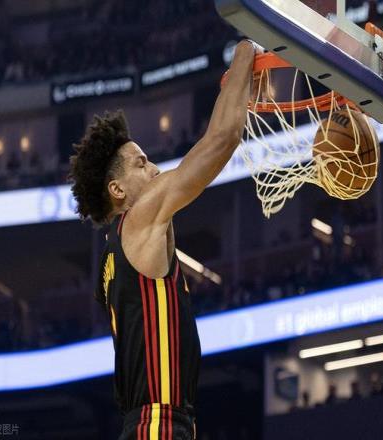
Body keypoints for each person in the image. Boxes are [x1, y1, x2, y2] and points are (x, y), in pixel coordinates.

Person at [68, 40, 261, 439]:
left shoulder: (113, 256)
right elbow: (222, 139)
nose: (155, 169)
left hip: (155, 423)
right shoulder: (138, 221)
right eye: (141, 163)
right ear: (117, 190)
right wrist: (247, 50)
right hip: (158, 424)